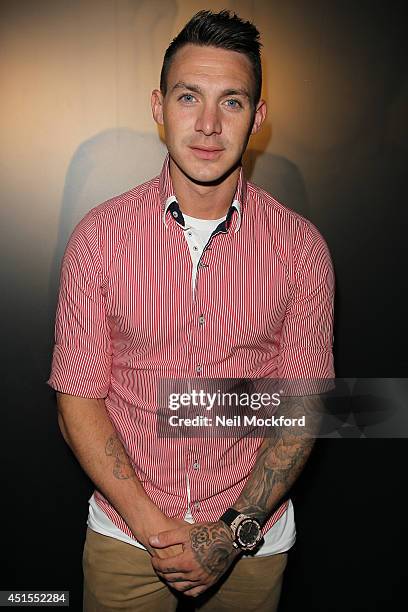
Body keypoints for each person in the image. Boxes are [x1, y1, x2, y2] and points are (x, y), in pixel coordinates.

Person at [48, 9, 334, 612]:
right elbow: (78, 396)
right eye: (189, 97)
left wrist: (230, 536)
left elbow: (304, 404)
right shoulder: (100, 237)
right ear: (158, 106)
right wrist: (154, 527)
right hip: (127, 539)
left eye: (231, 102)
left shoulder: (300, 247)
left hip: (252, 545)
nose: (207, 124)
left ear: (257, 119)